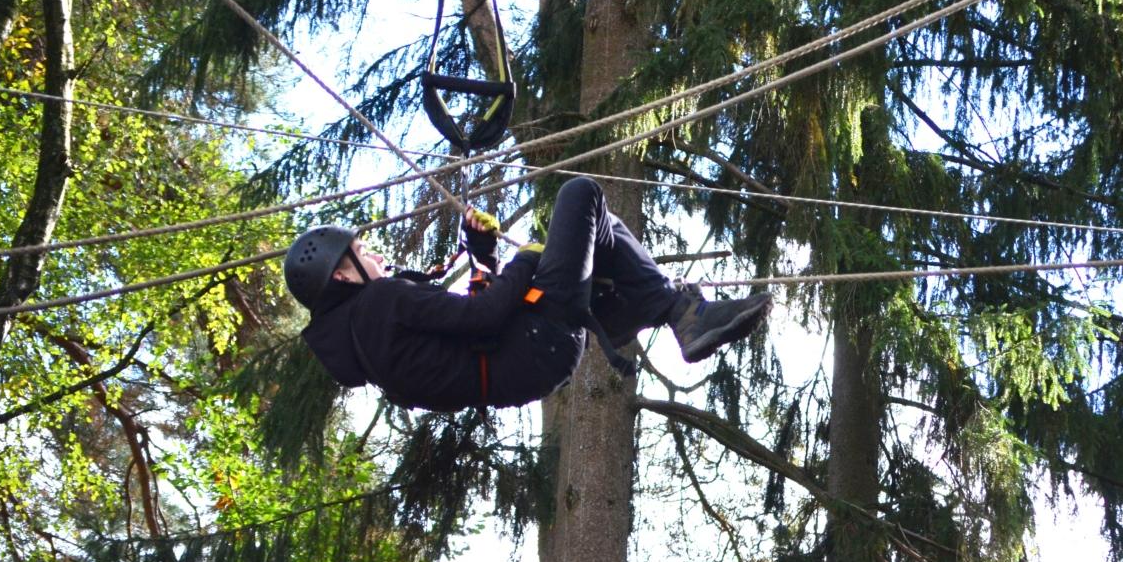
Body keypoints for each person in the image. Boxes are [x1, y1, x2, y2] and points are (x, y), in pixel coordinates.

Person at [284, 177, 772, 411]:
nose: (376, 257)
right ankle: (683, 314)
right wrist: (524, 260)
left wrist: (485, 256)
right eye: (362, 253)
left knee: (602, 233)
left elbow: (469, 335)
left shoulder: (367, 348)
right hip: (534, 339)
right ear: (342, 276)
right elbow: (485, 318)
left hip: (531, 365)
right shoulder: (380, 301)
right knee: (581, 195)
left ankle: (665, 308)